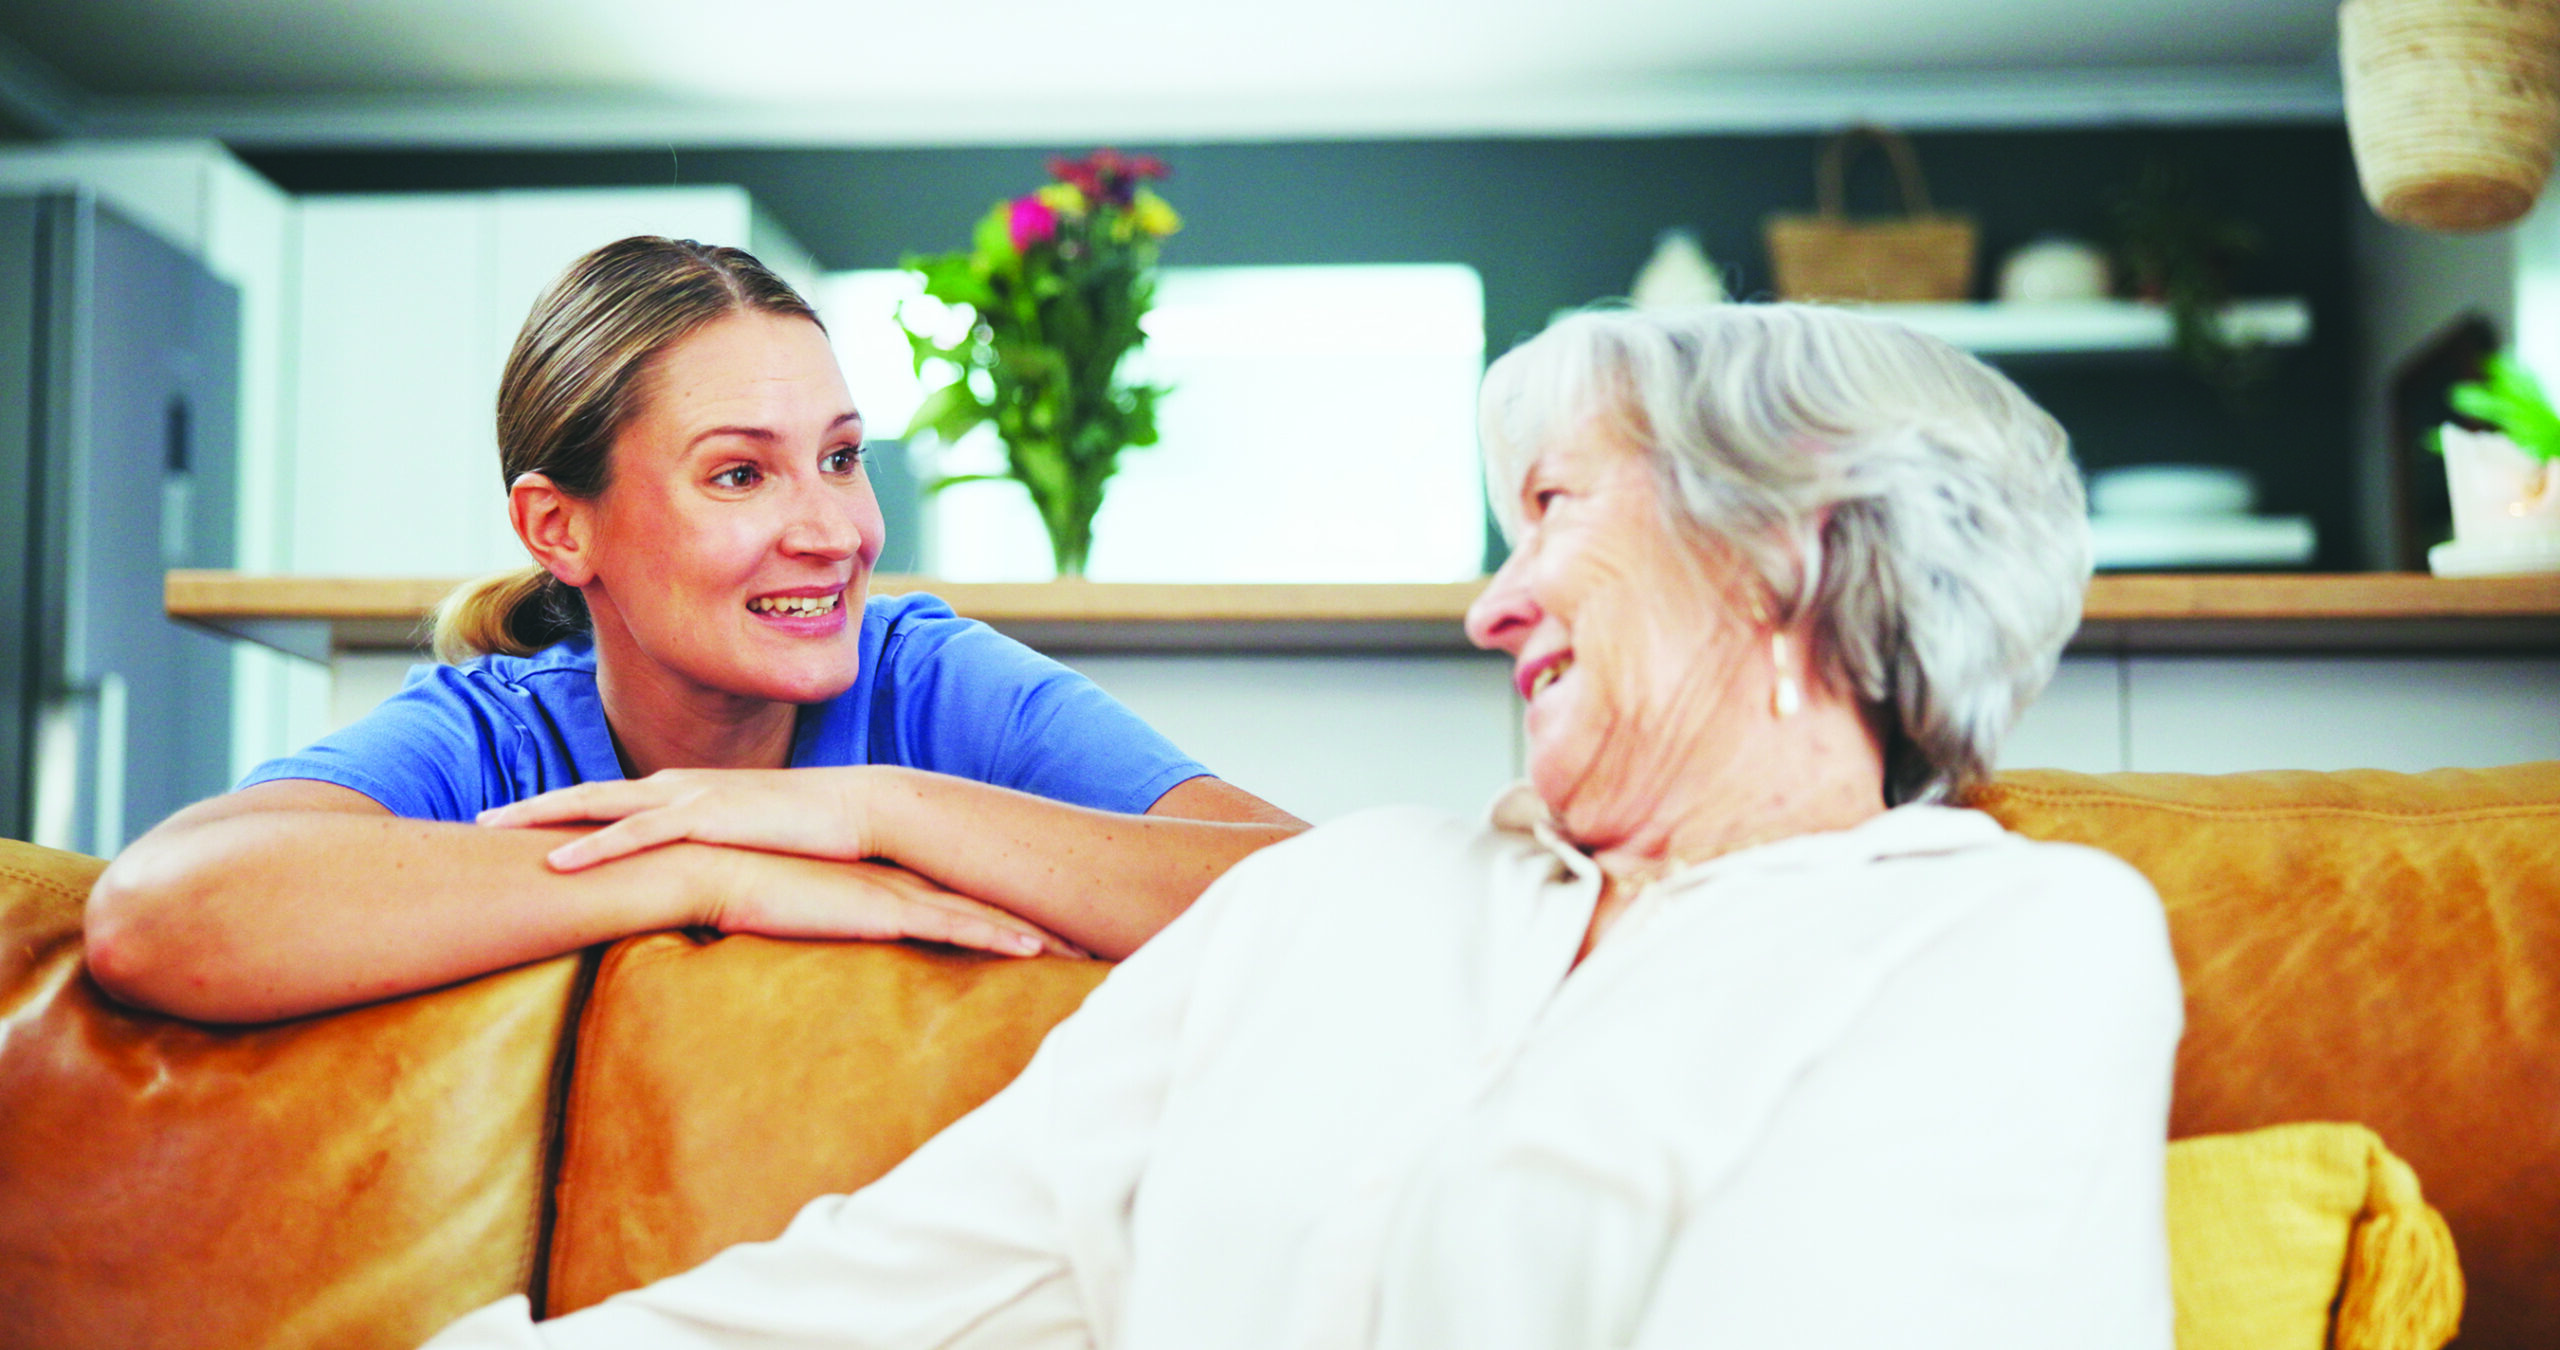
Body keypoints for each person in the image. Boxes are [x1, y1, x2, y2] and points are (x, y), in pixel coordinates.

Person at [420, 302, 2183, 1349]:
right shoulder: (1349, 896)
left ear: (1780, 554)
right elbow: (882, 1292)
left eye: (1555, 512)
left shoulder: (2013, 942)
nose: (1498, 611)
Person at [85, 236, 1303, 1025]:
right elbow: (159, 913)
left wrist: (875, 812)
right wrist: (699, 870)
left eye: (839, 458)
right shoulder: (490, 738)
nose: (833, 532)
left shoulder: (928, 685)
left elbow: (1330, 903)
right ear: (562, 531)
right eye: (739, 476)